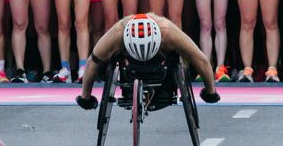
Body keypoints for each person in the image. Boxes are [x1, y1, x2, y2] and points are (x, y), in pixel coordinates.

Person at [73, 10, 223, 110]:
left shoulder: (168, 31)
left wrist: (211, 91)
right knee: (101, 62)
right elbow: (92, 62)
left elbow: (201, 60)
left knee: (183, 58)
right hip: (129, 65)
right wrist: (85, 96)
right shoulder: (118, 32)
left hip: (162, 63)